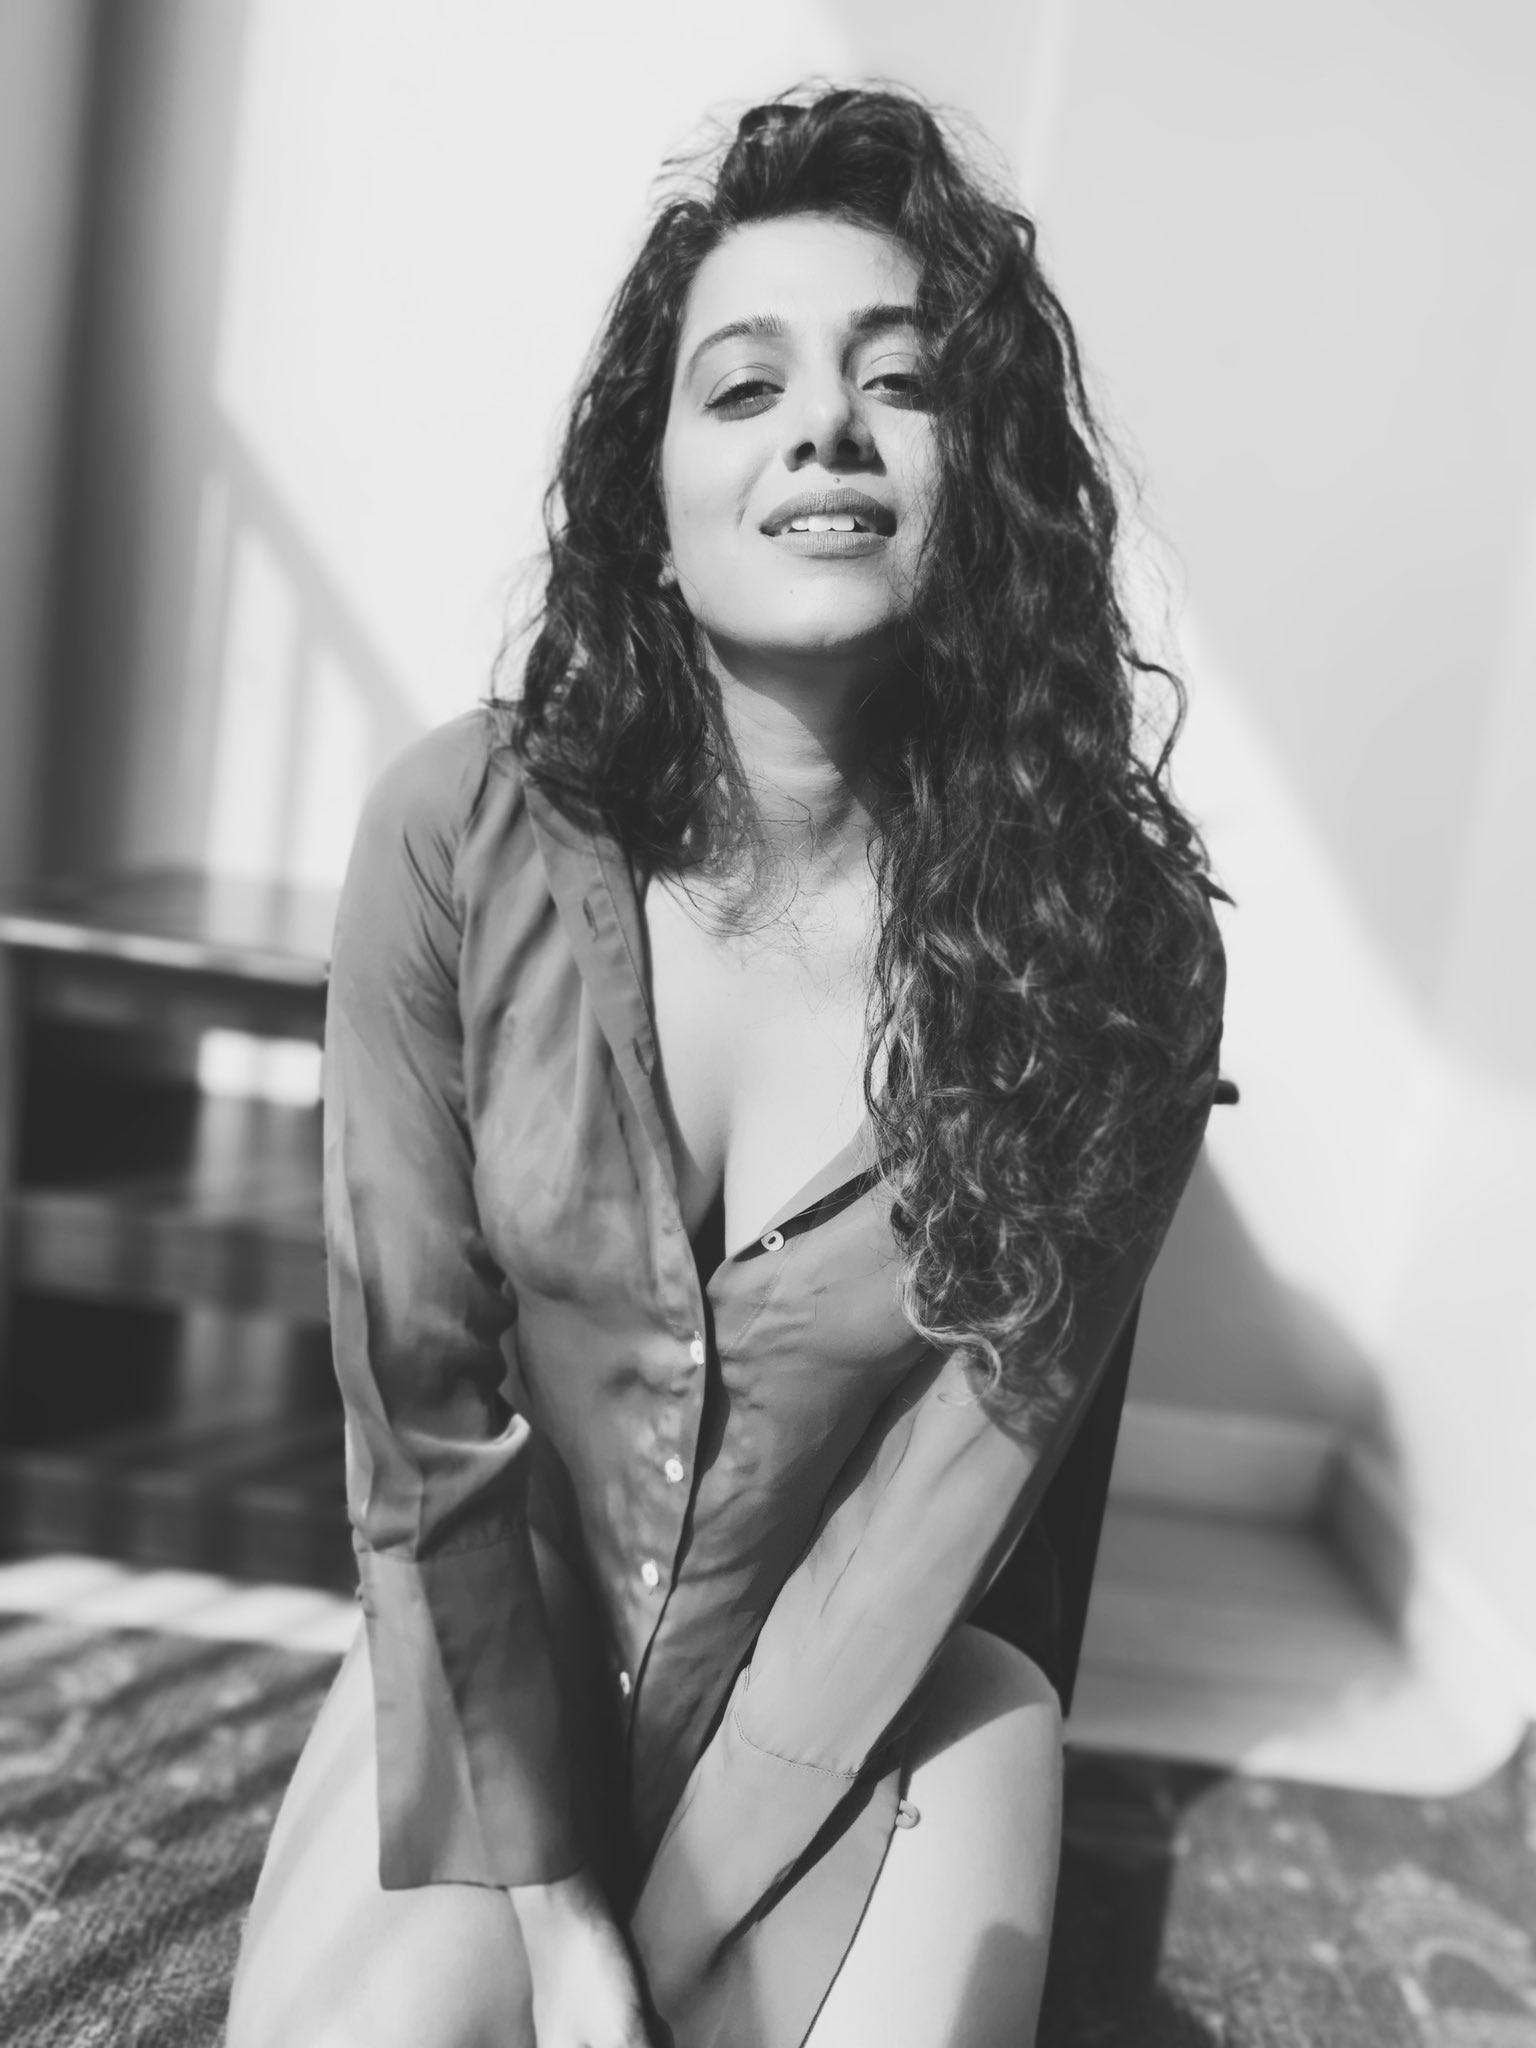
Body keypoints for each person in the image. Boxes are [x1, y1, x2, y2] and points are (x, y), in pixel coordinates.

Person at [227, 84, 1226, 2048]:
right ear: (658, 512)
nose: (823, 428)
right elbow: (425, 1428)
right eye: (744, 385)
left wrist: (661, 1955)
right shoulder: (449, 837)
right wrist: (561, 1932)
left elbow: (920, 1538)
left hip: (873, 1695)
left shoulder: (1119, 966)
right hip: (505, 1644)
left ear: (984, 487)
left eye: (899, 381)